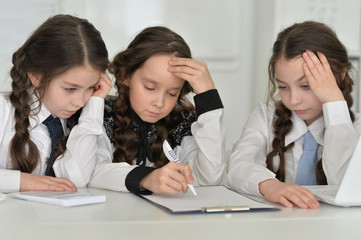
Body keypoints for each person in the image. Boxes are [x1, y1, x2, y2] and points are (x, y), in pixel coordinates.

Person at [227, 21, 361, 209]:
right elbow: (238, 166)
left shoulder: (356, 128)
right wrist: (271, 186)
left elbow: (346, 183)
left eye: (306, 86)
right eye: (283, 86)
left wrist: (334, 102)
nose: (293, 100)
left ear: (338, 76)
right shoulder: (265, 117)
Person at [88, 26, 225, 195]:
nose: (159, 103)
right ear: (125, 76)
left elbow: (210, 179)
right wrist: (146, 178)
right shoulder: (101, 112)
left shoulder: (183, 120)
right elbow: (90, 171)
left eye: (172, 93)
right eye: (150, 87)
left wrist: (208, 98)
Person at [0, 14, 112, 193]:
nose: (80, 101)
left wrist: (95, 104)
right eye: (70, 89)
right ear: (35, 75)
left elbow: (78, 180)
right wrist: (26, 181)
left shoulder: (90, 117)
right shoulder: (3, 111)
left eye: (91, 87)